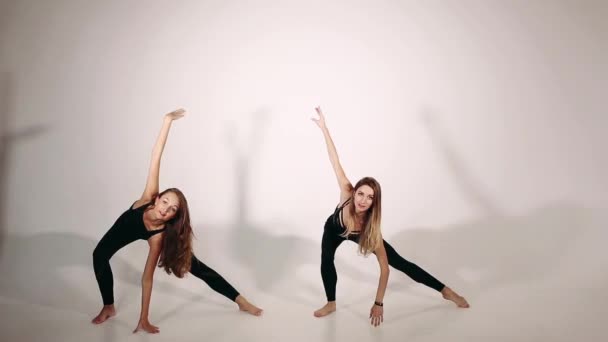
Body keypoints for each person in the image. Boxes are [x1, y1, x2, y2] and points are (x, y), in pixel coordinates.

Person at [91, 109, 262, 334]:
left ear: (173, 216)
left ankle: (240, 300)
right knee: (99, 255)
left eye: (172, 210)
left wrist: (144, 318)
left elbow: (147, 278)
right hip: (124, 228)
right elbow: (156, 156)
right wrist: (167, 121)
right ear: (158, 198)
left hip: (153, 234)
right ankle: (109, 306)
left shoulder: (159, 236)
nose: (166, 210)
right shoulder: (148, 196)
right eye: (166, 203)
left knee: (197, 267)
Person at [311, 106, 469, 327]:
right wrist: (324, 129)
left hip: (359, 233)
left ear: (374, 202)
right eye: (361, 193)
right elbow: (334, 160)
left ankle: (446, 291)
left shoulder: (370, 230)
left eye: (369, 198)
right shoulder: (346, 191)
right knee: (326, 259)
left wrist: (379, 303)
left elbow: (384, 270)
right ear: (354, 192)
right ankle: (331, 302)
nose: (362, 200)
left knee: (400, 262)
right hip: (334, 229)